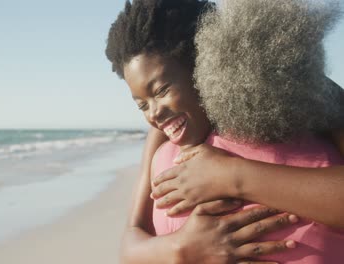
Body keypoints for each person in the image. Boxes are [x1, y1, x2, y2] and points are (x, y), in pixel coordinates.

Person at [105, 0, 344, 263]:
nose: (153, 113)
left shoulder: (300, 91)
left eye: (162, 91)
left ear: (203, 63)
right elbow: (130, 244)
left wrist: (230, 175)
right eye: (141, 105)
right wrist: (182, 248)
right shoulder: (164, 136)